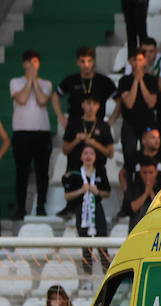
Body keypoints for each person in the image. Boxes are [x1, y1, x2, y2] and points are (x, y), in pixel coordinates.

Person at [9, 49, 57, 218]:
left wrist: (34, 81)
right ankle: (21, 208)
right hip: (21, 133)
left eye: (35, 62)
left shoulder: (46, 84)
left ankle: (41, 206)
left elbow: (42, 100)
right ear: (24, 64)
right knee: (21, 172)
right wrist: (29, 80)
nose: (32, 65)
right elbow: (21, 99)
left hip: (41, 133)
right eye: (29, 62)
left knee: (42, 172)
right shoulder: (15, 82)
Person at [61, 146, 111, 272]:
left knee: (102, 245)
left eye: (91, 153)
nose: (88, 156)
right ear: (81, 157)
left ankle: (108, 276)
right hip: (81, 211)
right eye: (85, 153)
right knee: (86, 246)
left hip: (97, 210)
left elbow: (107, 193)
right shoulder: (75, 174)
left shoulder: (100, 171)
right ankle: (87, 278)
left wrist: (97, 191)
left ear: (95, 156)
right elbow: (67, 196)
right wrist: (81, 191)